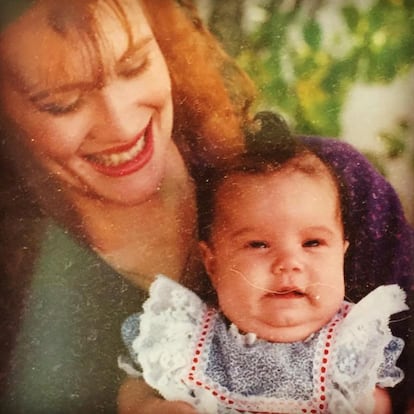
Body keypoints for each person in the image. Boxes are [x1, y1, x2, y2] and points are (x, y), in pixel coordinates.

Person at [0, 0, 412, 411]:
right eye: (62, 103)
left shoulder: (325, 185)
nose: (121, 125)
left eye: (134, 65)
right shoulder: (23, 282)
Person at [122, 119, 409, 413]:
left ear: (342, 255)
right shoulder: (188, 337)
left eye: (312, 243)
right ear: (213, 264)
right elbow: (136, 387)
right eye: (258, 244)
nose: (288, 264)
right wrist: (146, 406)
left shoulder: (353, 346)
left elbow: (380, 400)